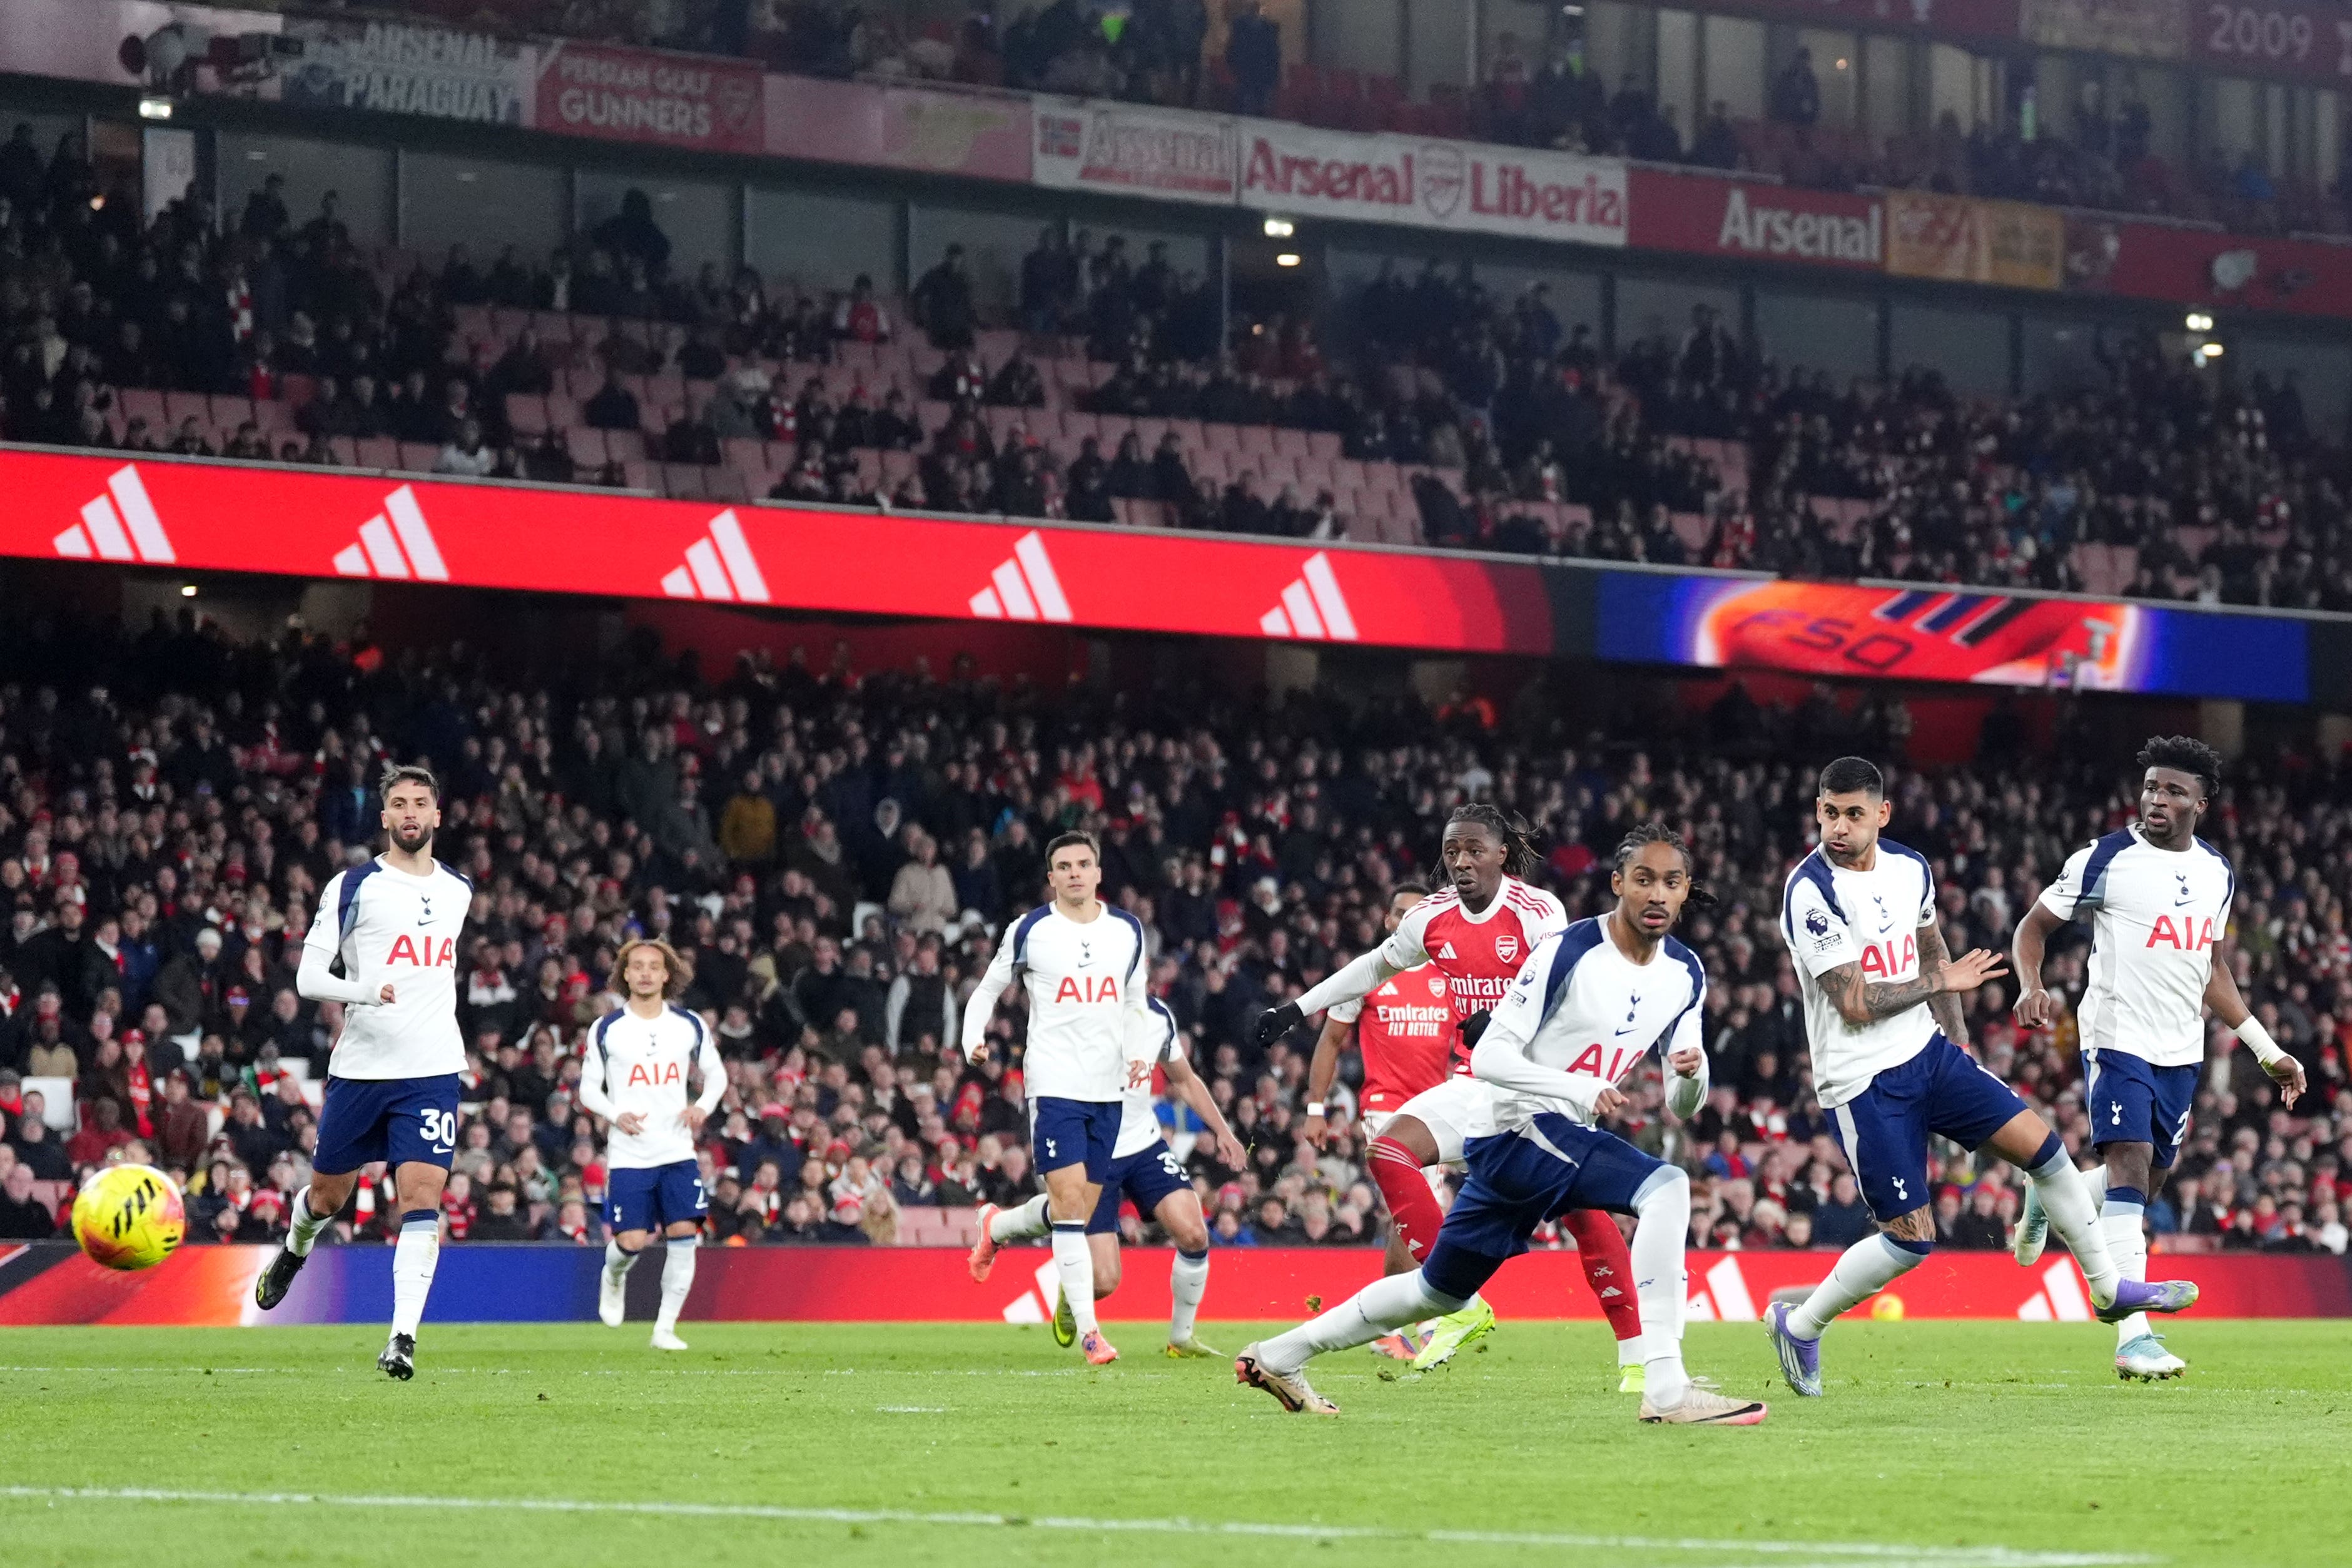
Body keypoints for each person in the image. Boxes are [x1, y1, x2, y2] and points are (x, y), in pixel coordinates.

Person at [1235, 827, 1766, 1425]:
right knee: (1666, 1186)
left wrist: (1693, 1075)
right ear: (1618, 884)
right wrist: (1580, 1088)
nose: (1657, 895)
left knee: (1434, 1293)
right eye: (1643, 879)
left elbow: (1683, 1100)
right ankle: (1665, 1383)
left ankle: (1279, 1355)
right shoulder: (1569, 949)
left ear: (1687, 890)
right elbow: (1488, 1059)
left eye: (1672, 883)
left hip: (1543, 1135)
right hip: (1516, 1122)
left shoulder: (1685, 974)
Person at [1763, 757, 2198, 1399]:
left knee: (2047, 1151)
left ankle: (2107, 1289)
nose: (1838, 826)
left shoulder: (1909, 867)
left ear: (1881, 813)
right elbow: (1854, 1003)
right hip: (1862, 1082)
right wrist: (1942, 983)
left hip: (1930, 1055)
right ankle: (1799, 1323)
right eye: (1829, 812)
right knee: (1911, 1240)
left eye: (1853, 813)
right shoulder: (1811, 892)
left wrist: (1958, 1038)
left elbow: (1933, 945)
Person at [1257, 805, 1647, 1385]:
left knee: (1583, 1213)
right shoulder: (1432, 916)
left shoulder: (1539, 912)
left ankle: (1639, 1360)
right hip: (1477, 1087)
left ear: (1501, 855)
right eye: (1452, 851)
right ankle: (1459, 1302)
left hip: (1541, 1089)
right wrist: (1297, 1008)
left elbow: (1569, 994)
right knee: (1389, 1149)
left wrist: (1505, 1023)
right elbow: (1373, 967)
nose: (1461, 861)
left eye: (1473, 850)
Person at [2009, 735, 2305, 1381]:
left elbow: (2212, 969)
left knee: (2146, 1184)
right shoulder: (2105, 858)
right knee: (2130, 1162)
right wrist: (2031, 985)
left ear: (2202, 800)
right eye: (2150, 787)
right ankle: (2132, 1337)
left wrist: (2265, 1049)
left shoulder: (2216, 872)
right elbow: (2033, 926)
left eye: (2173, 790)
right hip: (2116, 1037)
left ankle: (2047, 1195)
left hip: (2181, 1048)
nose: (2157, 800)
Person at [255, 764, 474, 1382]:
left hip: (433, 1069)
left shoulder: (459, 889)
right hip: (363, 1069)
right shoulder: (354, 884)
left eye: (420, 803)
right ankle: (296, 1249)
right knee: (328, 1197)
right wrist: (364, 993)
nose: (409, 812)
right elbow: (307, 977)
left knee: (422, 1197)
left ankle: (402, 1335)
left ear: (437, 816)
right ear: (383, 817)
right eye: (398, 803)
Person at [960, 831, 1149, 1365]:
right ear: (1051, 877)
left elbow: (1136, 1001)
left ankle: (995, 1226)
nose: (1073, 873)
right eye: (1063, 865)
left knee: (1076, 1209)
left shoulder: (1127, 930)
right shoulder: (1031, 930)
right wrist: (972, 1036)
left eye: (1083, 864)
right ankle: (1091, 1333)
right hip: (1054, 1084)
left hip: (1109, 1090)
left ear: (1097, 872)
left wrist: (1137, 1052)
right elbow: (988, 988)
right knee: (1069, 1207)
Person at [969, 994, 1247, 1357]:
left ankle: (1181, 1338)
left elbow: (1186, 1080)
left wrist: (1223, 1131)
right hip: (1093, 1148)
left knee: (1194, 1233)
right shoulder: (1080, 1016)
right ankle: (1010, 1234)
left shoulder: (1157, 1016)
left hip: (1144, 1145)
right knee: (1103, 1281)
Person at [1302, 881, 1450, 1360]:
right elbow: (1329, 1041)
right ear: (1388, 921)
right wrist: (1315, 1108)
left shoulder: (1450, 975)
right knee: (1418, 1205)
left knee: (1410, 1215)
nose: (1409, 920)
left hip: (1441, 1109)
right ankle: (1412, 1323)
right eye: (1401, 913)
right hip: (1387, 1109)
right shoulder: (1368, 974)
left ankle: (1394, 1321)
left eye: (1418, 913)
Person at [580, 938, 724, 1352]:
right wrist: (614, 1113)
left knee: (684, 1232)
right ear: (625, 973)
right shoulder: (608, 1028)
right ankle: (614, 1274)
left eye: (653, 966)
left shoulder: (688, 1024)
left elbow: (715, 1074)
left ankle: (664, 1328)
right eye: (637, 965)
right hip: (630, 1152)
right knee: (632, 1241)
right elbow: (589, 1088)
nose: (645, 972)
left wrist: (703, 1105)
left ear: (666, 974)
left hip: (677, 1150)